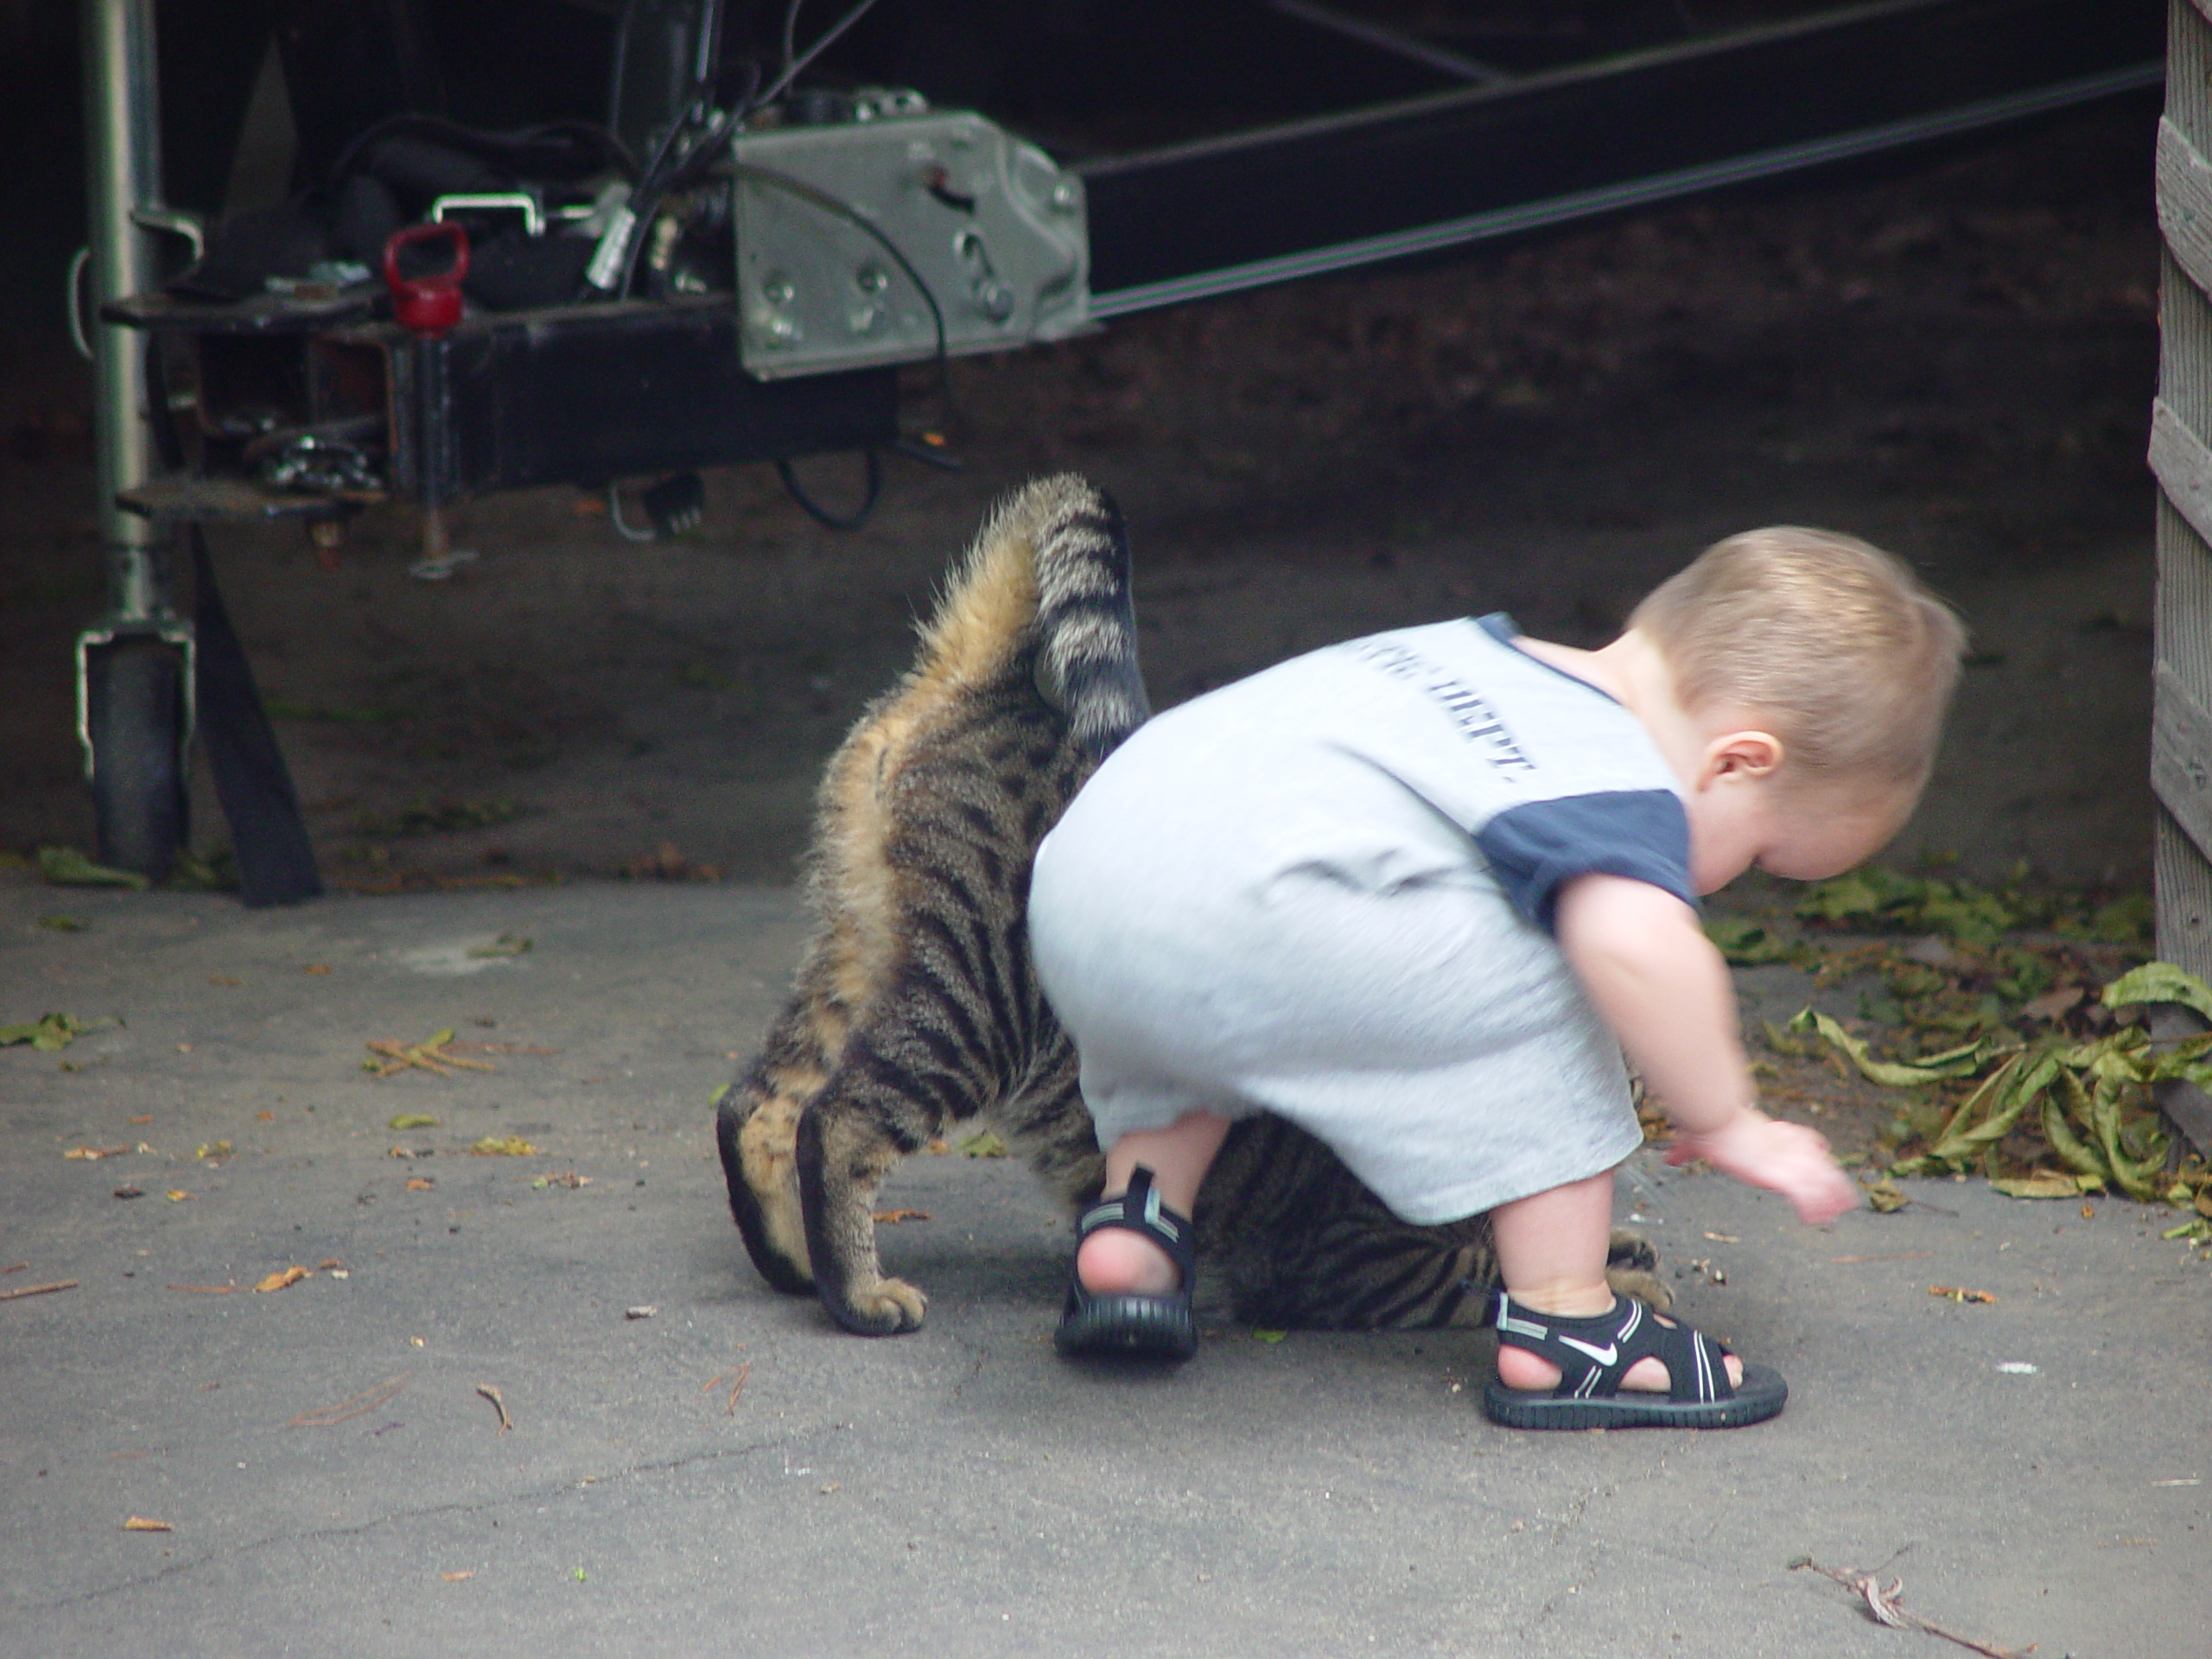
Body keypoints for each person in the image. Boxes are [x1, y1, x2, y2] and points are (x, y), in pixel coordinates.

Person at [1027, 526, 1964, 1428]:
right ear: (1737, 761)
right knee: (1580, 951)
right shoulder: (1610, 772)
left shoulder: (1464, 658)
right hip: (1250, 923)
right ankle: (1567, 1323)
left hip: (1083, 888)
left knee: (1237, 957)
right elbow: (1638, 949)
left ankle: (1138, 1227)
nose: (1732, 880)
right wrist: (1727, 1119)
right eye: (1760, 856)